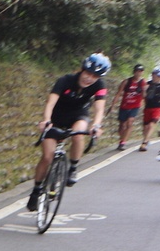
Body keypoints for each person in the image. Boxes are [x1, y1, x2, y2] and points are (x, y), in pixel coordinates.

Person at [27, 54, 109, 211]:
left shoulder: (99, 85)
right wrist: (46, 120)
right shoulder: (65, 80)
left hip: (78, 115)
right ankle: (36, 190)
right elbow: (50, 103)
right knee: (47, 157)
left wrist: (96, 125)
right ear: (82, 70)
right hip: (56, 117)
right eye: (88, 73)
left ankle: (73, 168)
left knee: (79, 133)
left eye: (94, 76)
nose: (89, 78)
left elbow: (99, 109)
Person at [114, 63, 147, 150]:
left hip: (135, 106)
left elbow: (144, 96)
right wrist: (113, 105)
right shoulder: (126, 82)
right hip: (124, 106)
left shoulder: (143, 83)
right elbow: (118, 94)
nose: (138, 73)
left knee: (130, 122)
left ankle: (123, 142)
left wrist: (144, 91)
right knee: (122, 125)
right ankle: (122, 139)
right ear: (134, 72)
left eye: (140, 71)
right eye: (137, 71)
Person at [141, 66, 160, 151]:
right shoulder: (148, 84)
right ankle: (146, 139)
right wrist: (144, 90)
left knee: (152, 124)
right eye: (153, 74)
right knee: (146, 127)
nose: (153, 76)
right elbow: (144, 97)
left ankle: (144, 143)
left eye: (155, 75)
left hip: (159, 107)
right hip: (148, 107)